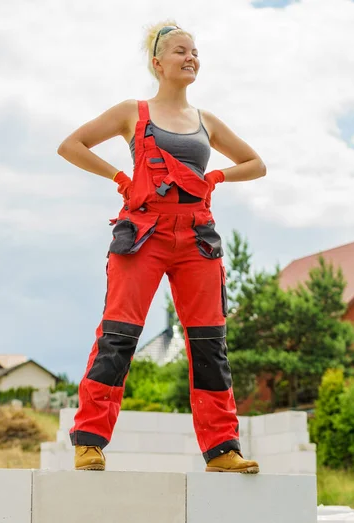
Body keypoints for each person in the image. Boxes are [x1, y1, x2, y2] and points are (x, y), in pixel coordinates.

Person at [57, 20, 267, 473]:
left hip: (197, 239)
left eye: (195, 51)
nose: (191, 57)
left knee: (210, 342)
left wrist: (217, 176)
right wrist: (120, 177)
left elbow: (257, 164)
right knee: (119, 335)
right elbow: (70, 145)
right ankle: (89, 442)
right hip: (143, 235)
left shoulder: (207, 122)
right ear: (157, 63)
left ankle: (222, 450)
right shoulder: (132, 112)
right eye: (179, 51)